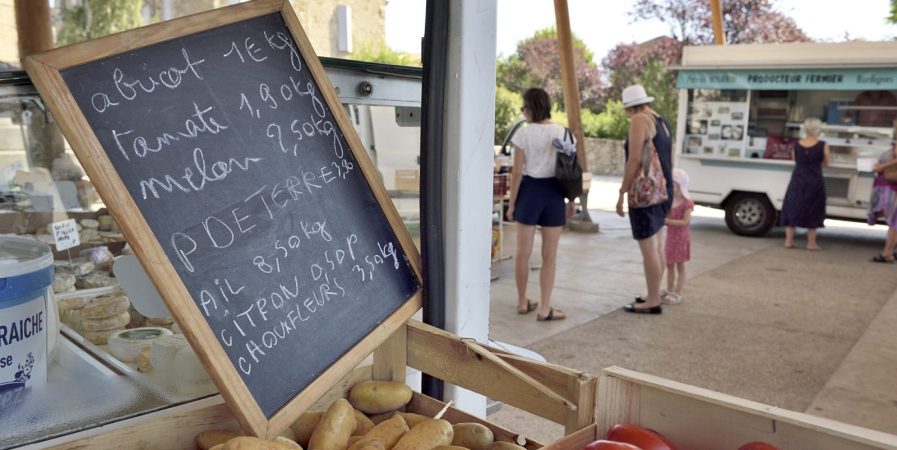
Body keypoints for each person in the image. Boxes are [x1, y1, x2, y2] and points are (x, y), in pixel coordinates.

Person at [507, 88, 569, 321]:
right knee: (549, 256)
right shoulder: (561, 131)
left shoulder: (523, 134)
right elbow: (569, 168)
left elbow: (517, 173)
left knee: (522, 253)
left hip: (529, 193)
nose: (523, 111)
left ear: (531, 107)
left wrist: (512, 204)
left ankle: (523, 303)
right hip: (554, 194)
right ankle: (544, 308)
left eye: (524, 107)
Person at [616, 85, 674, 315]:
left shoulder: (639, 120)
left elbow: (635, 159)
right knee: (657, 246)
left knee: (649, 248)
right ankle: (653, 293)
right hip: (662, 190)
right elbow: (669, 158)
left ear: (629, 106)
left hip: (644, 193)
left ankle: (652, 301)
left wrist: (622, 191)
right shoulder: (661, 121)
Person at [780, 117, 830, 250]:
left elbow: (795, 159)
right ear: (818, 130)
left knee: (793, 207)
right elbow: (826, 162)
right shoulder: (823, 145)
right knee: (814, 209)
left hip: (798, 179)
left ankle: (789, 241)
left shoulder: (796, 144)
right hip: (815, 180)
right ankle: (811, 243)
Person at [663, 169, 694, 305]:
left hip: (681, 238)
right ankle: (669, 289)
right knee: (669, 265)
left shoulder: (687, 203)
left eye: (675, 185)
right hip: (670, 238)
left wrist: (667, 222)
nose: (672, 187)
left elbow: (685, 222)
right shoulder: (669, 201)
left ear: (681, 185)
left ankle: (678, 292)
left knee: (680, 266)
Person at [868, 119, 897, 262]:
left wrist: (882, 166)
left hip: (891, 186)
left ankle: (887, 253)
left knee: (893, 221)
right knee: (894, 220)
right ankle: (889, 252)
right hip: (891, 185)